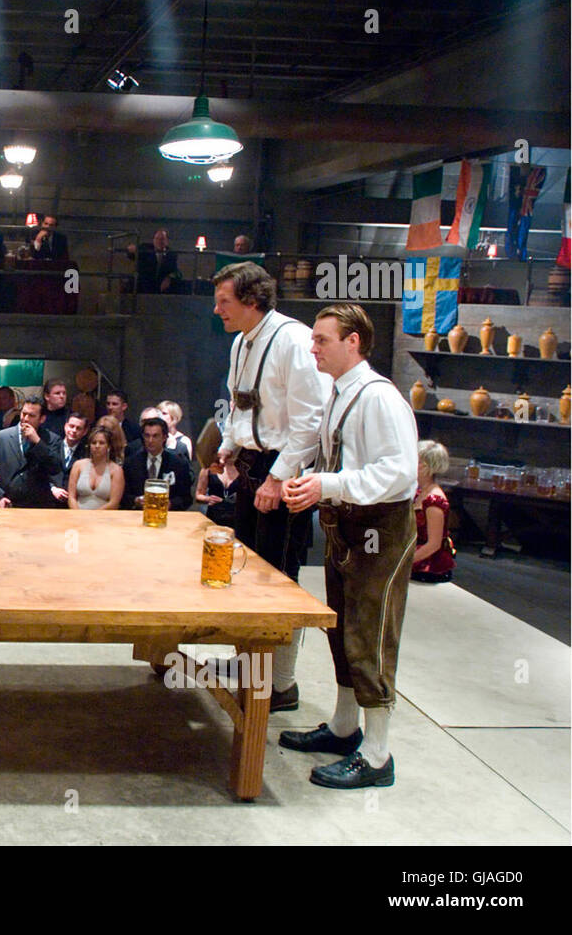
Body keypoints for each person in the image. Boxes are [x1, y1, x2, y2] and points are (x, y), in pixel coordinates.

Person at [280, 303, 418, 790]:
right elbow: (334, 457)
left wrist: (330, 485)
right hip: (346, 525)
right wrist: (310, 485)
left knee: (371, 633)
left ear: (353, 341)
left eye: (322, 339)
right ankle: (344, 727)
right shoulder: (339, 393)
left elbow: (400, 472)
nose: (312, 347)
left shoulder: (379, 397)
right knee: (342, 628)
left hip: (380, 527)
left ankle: (378, 756)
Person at [210, 260, 328, 713]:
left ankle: (281, 684)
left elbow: (311, 420)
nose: (218, 310)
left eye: (224, 301)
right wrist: (227, 446)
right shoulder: (241, 341)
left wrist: (279, 478)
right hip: (252, 465)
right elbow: (240, 405)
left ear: (252, 300)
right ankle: (250, 669)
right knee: (246, 572)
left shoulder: (293, 340)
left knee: (280, 579)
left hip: (287, 470)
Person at [0, 396, 65, 508]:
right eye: (24, 413)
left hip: (38, 506)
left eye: (31, 416)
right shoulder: (0, 437)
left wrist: (38, 442)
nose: (25, 419)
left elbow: (55, 469)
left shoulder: (52, 440)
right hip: (6, 502)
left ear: (42, 419)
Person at [122, 416, 193, 512]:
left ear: (164, 437)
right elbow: (123, 496)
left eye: (155, 436)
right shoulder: (131, 463)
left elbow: (186, 498)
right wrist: (136, 501)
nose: (150, 440)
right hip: (138, 514)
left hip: (168, 516)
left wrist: (170, 504)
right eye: (147, 436)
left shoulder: (178, 464)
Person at [411, 440, 455, 583]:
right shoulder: (419, 492)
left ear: (423, 466)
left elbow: (433, 544)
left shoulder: (434, 501)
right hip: (414, 553)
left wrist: (402, 562)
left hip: (426, 564)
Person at [68, 427, 124, 510]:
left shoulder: (116, 470)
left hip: (104, 518)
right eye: (94, 443)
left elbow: (114, 502)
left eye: (101, 443)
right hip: (78, 516)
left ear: (108, 447)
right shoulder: (78, 465)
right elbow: (71, 497)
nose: (97, 446)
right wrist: (78, 514)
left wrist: (93, 516)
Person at [131, 229, 182, 294]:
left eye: (162, 239)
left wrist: (169, 278)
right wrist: (132, 250)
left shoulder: (171, 255)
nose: (159, 241)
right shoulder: (145, 249)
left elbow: (177, 272)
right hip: (143, 288)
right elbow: (131, 255)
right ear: (153, 240)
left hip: (162, 290)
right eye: (157, 239)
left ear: (167, 241)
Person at [196, 458, 239, 528]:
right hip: (214, 516)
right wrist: (208, 499)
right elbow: (199, 494)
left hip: (237, 518)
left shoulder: (244, 470)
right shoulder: (208, 468)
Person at [58, 411, 90, 478]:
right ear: (65, 426)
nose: (74, 430)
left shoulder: (86, 453)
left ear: (85, 431)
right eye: (71, 426)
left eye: (78, 428)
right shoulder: (53, 446)